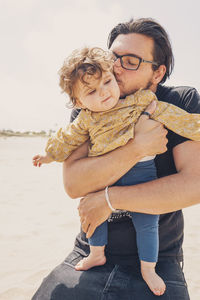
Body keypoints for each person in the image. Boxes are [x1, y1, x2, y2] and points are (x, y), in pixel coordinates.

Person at [32, 18, 200, 300]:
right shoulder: (91, 104)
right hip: (88, 252)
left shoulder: (180, 101)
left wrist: (109, 199)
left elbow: (195, 184)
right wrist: (136, 148)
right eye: (114, 57)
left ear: (157, 73)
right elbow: (74, 184)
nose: (117, 67)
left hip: (159, 260)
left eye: (131, 61)